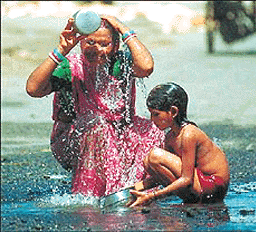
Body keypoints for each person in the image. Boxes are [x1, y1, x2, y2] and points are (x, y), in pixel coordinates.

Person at [26, 14, 164, 197]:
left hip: (119, 134)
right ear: (81, 42)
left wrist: (123, 29)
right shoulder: (71, 67)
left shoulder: (121, 63)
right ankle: (91, 194)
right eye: (90, 42)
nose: (97, 49)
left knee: (153, 130)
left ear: (115, 46)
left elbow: (146, 67)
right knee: (98, 126)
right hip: (75, 139)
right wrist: (61, 49)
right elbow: (33, 89)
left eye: (105, 44)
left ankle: (137, 188)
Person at [128, 83, 230, 207]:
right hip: (198, 183)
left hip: (213, 187)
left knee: (154, 156)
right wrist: (133, 189)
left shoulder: (188, 134)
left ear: (173, 111)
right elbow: (161, 175)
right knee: (148, 162)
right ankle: (191, 199)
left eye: (156, 114)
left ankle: (194, 198)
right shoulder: (170, 137)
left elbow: (186, 179)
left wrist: (152, 196)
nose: (152, 120)